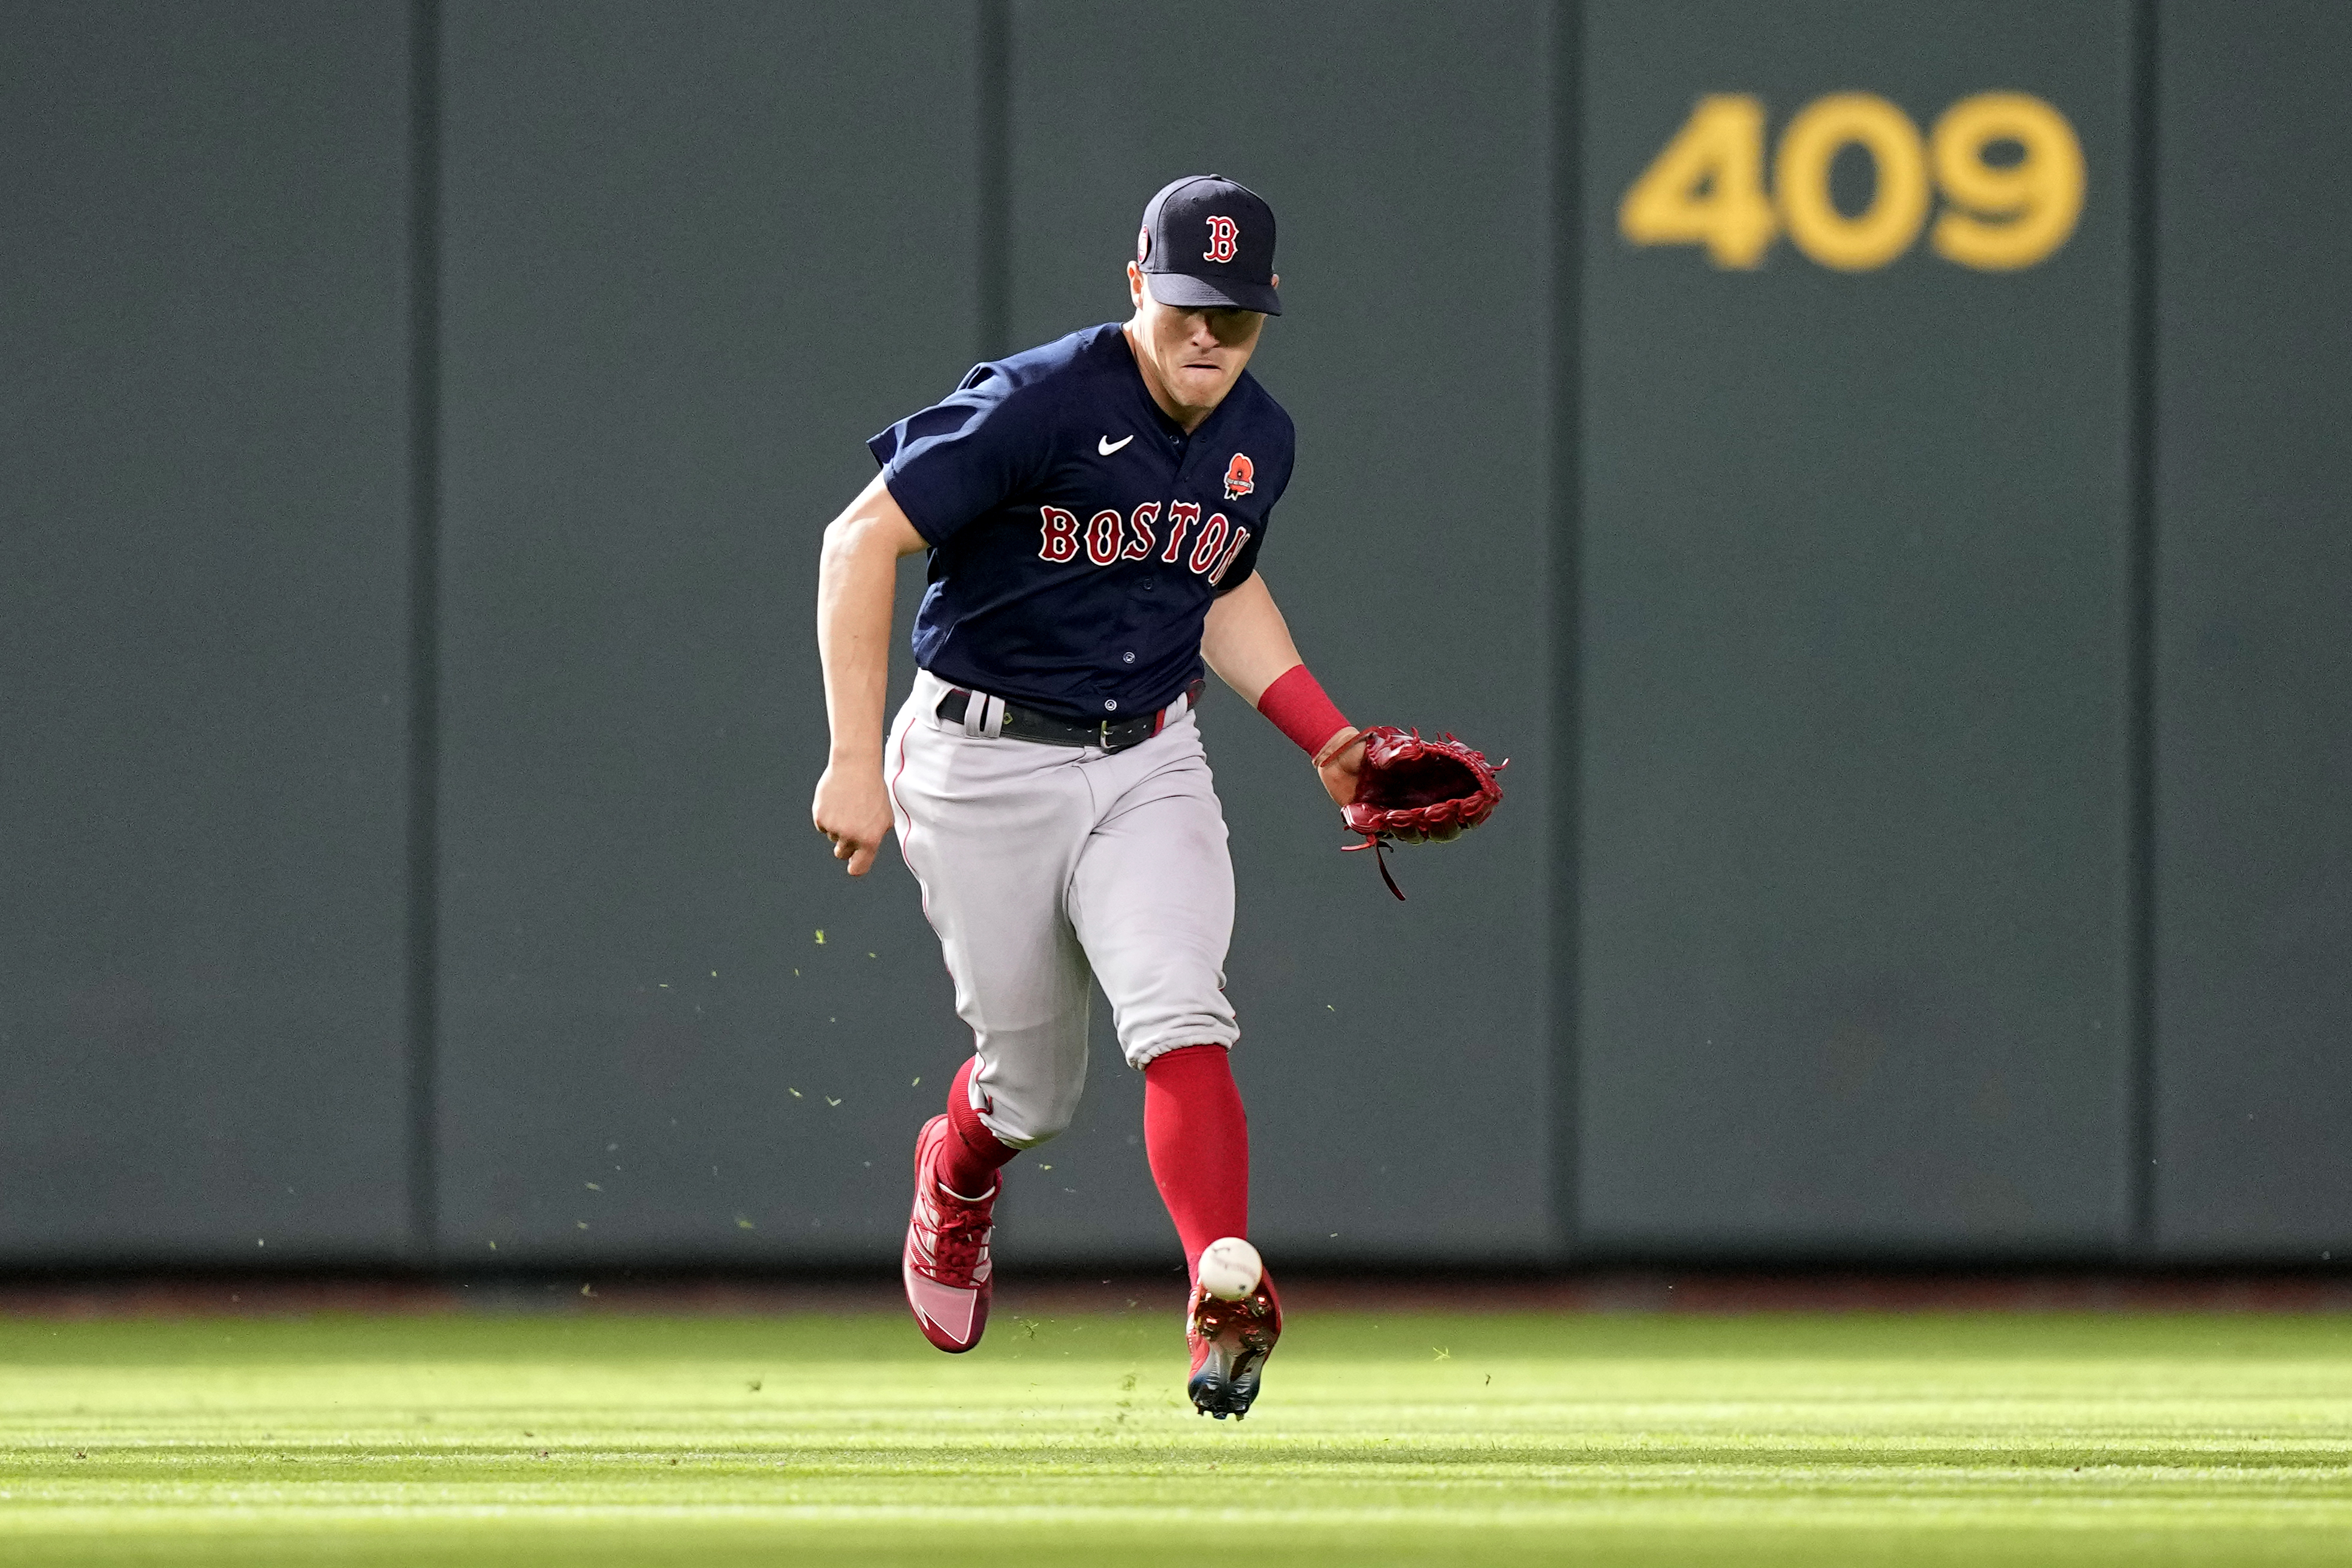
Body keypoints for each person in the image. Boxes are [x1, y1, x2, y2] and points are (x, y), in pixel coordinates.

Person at [811, 175, 1365, 1419]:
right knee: (1036, 1093)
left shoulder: (1257, 437)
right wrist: (853, 757)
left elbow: (1212, 584)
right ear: (1136, 287)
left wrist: (1324, 737)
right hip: (978, 759)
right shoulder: (1039, 401)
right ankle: (959, 1164)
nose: (1208, 335)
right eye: (1186, 305)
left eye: (1234, 311)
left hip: (1148, 756)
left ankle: (1219, 1282)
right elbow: (861, 541)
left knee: (1180, 1009)